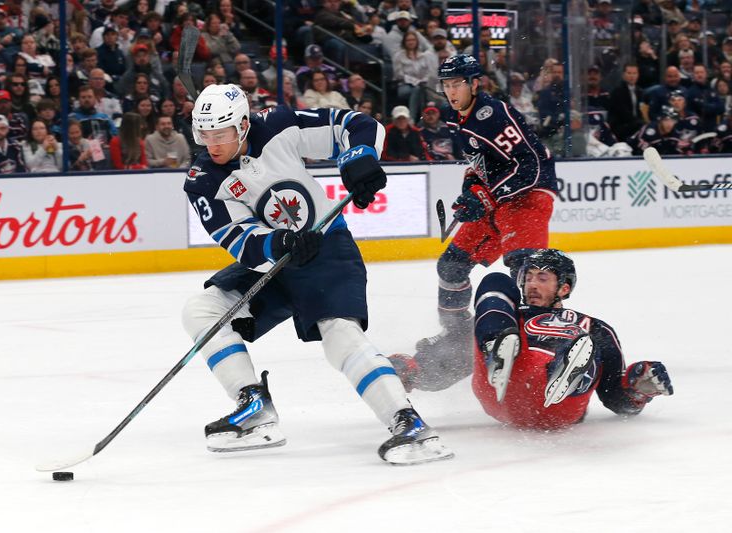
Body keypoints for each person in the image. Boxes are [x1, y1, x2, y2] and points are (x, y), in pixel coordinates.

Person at [180, 83, 452, 465]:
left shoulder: (276, 124)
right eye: (204, 134)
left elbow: (355, 124)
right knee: (201, 310)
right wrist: (280, 244)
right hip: (274, 263)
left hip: (327, 248)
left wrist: (359, 158)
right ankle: (254, 407)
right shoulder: (202, 179)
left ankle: (407, 423)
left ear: (242, 125)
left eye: (220, 134)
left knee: (340, 335)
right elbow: (240, 240)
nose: (212, 144)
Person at [391, 54, 557, 393]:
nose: (451, 91)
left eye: (457, 84)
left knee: (527, 275)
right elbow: (482, 164)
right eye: (447, 85)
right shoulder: (457, 119)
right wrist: (472, 190)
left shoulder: (492, 114)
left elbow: (532, 165)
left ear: (474, 83)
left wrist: (486, 195)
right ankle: (458, 337)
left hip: (527, 198)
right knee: (451, 266)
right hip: (496, 202)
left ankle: (542, 351)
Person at [471, 249, 673, 429]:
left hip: (559, 408)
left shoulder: (595, 327)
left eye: (542, 278)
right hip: (500, 388)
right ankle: (496, 352)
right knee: (496, 280)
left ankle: (565, 373)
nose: (531, 284)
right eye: (529, 277)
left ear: (563, 288)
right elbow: (451, 361)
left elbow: (614, 398)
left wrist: (639, 391)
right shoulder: (510, 314)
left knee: (588, 342)